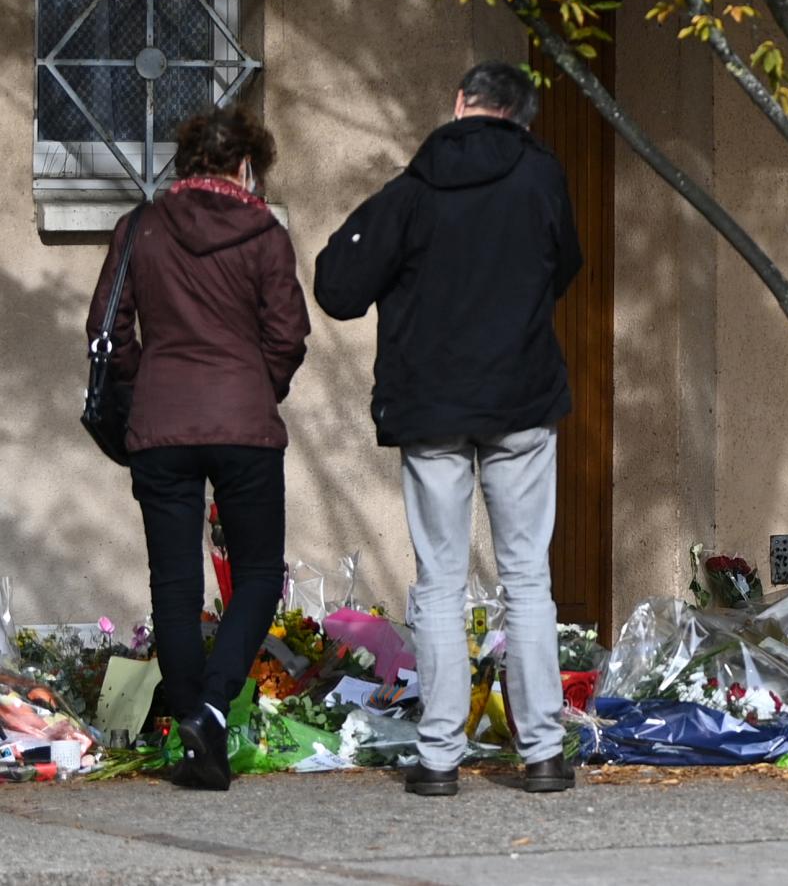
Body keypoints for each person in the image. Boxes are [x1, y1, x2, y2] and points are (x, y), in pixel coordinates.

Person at [316, 61, 583, 796]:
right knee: (527, 576)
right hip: (522, 402)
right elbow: (566, 265)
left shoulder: (413, 189)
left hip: (431, 408)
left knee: (440, 581)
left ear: (460, 102)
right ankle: (543, 753)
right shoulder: (544, 179)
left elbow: (338, 287)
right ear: (521, 118)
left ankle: (438, 758)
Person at [82, 106, 307, 791]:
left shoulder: (140, 228)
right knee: (260, 572)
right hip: (244, 426)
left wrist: (145, 385)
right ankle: (212, 707)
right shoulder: (265, 233)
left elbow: (108, 331)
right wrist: (251, 386)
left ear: (184, 165)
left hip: (161, 426)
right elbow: (288, 335)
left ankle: (193, 730)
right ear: (246, 166)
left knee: (174, 584)